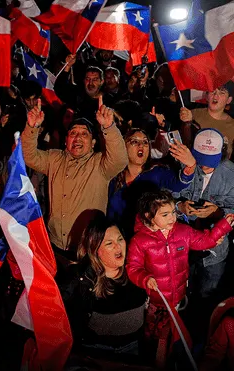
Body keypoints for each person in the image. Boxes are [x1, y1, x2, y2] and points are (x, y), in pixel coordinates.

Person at [126, 190, 234, 368]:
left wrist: (223, 226)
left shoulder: (183, 231)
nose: (172, 218)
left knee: (177, 335)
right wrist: (144, 278)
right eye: (165, 214)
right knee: (157, 339)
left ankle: (175, 360)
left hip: (179, 298)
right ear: (149, 216)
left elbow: (203, 240)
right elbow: (133, 267)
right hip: (156, 303)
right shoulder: (140, 241)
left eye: (173, 212)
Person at [21, 97, 128, 260]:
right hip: (54, 245)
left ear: (93, 143)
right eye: (73, 133)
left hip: (87, 250)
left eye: (84, 134)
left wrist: (109, 127)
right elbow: (27, 156)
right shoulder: (54, 158)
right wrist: (31, 127)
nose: (77, 138)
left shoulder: (100, 164)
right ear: (66, 141)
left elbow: (120, 160)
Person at [58, 213, 147, 364]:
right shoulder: (82, 281)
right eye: (109, 243)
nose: (118, 246)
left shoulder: (137, 272)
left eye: (120, 239)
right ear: (95, 249)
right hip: (96, 354)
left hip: (132, 351)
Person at [107, 128, 196, 241]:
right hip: (119, 240)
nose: (141, 145)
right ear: (123, 146)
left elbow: (179, 184)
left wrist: (190, 166)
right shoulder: (114, 176)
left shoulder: (155, 172)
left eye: (145, 142)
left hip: (148, 243)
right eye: (134, 141)